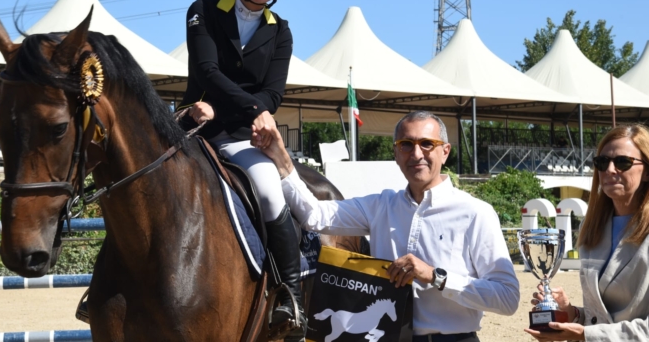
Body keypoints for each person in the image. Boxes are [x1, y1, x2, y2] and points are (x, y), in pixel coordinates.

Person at [255, 110, 520, 342]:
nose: (416, 154)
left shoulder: (476, 213)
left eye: (427, 144)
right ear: (396, 152)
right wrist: (281, 157)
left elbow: (507, 298)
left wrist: (435, 276)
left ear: (445, 151)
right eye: (406, 144)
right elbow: (315, 216)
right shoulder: (381, 206)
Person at [178, 0, 305, 340]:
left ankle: (291, 296)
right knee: (142, 176)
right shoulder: (203, 9)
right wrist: (252, 107)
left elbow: (274, 91)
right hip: (195, 122)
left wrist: (259, 114)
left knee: (269, 192)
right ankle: (103, 282)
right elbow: (206, 70)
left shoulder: (280, 31)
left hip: (241, 136)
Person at [524, 125, 649, 341]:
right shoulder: (591, 228)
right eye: (602, 162)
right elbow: (602, 318)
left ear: (647, 170)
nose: (609, 170)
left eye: (622, 162)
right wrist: (571, 312)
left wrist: (585, 334)